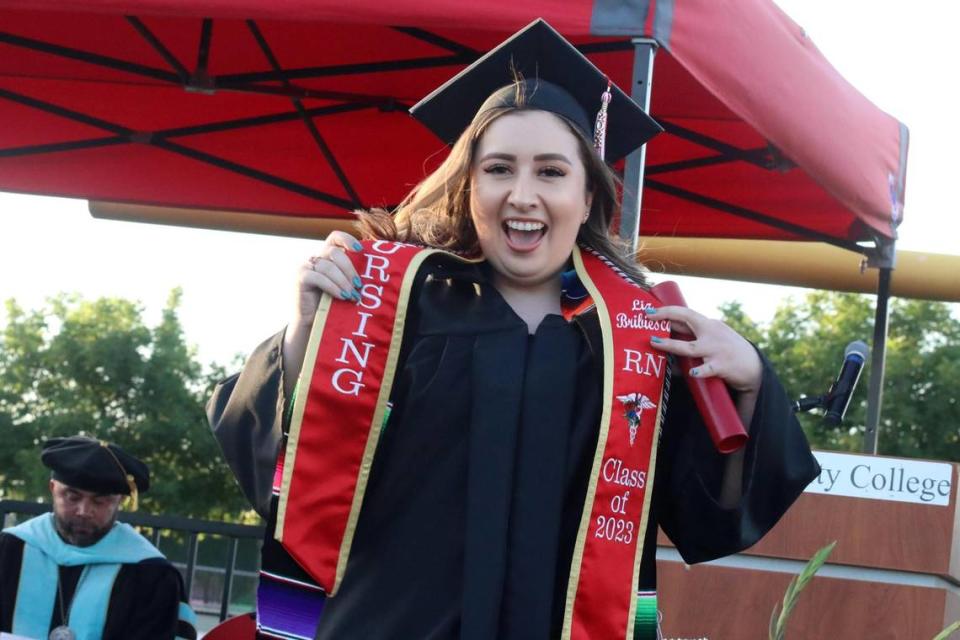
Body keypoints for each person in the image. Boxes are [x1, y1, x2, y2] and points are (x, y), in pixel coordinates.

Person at [208, 19, 819, 640]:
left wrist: (749, 383)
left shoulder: (635, 343)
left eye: (551, 172)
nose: (522, 195)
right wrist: (306, 337)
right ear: (468, 188)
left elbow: (708, 516)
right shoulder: (394, 314)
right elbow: (282, 486)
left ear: (588, 200)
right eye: (499, 169)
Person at [0, 435, 198, 640]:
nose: (84, 511)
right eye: (73, 496)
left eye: (100, 501)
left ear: (119, 500)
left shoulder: (150, 573)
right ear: (53, 489)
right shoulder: (10, 550)